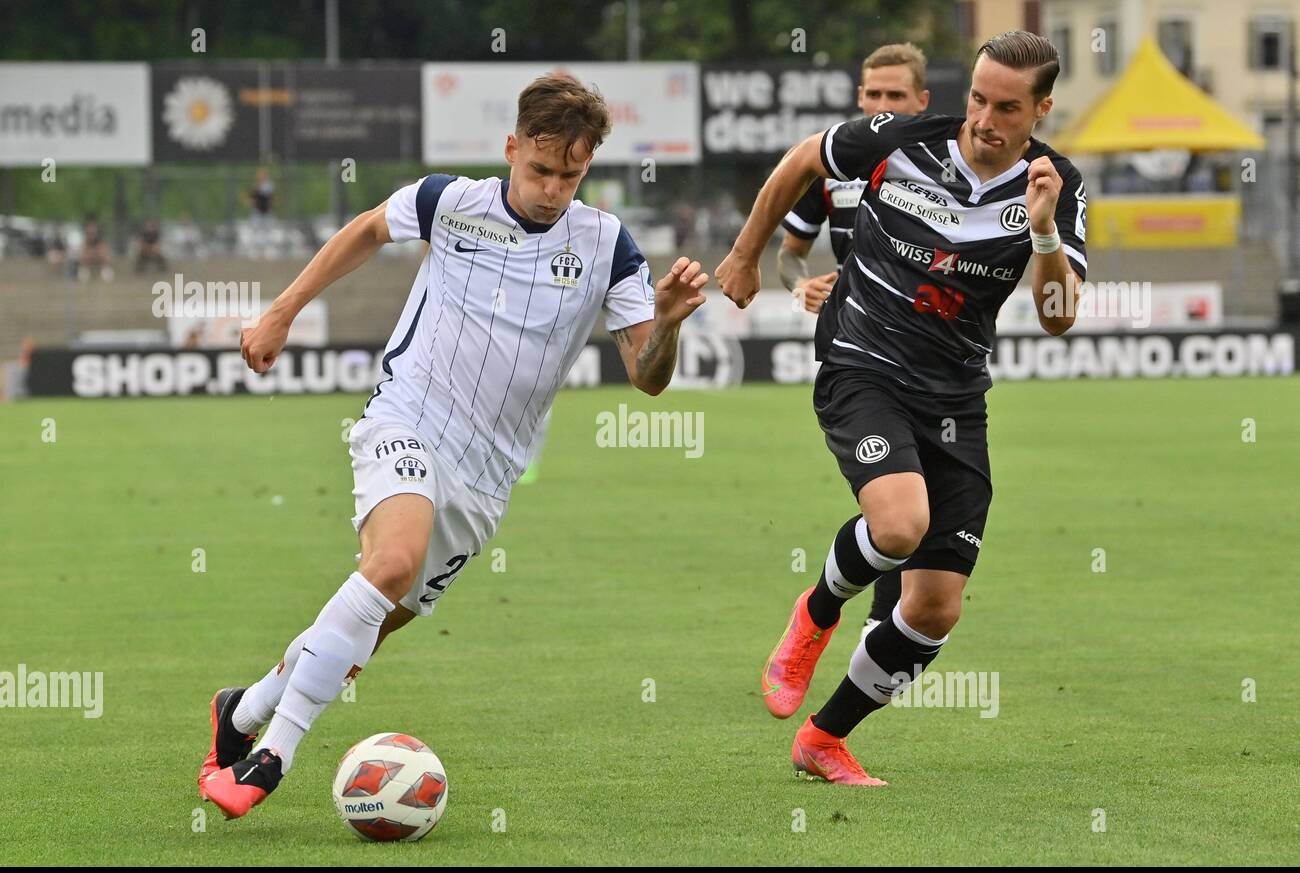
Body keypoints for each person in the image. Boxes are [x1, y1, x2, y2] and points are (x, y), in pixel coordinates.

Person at [198, 74, 710, 818]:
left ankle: (240, 711)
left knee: (371, 621)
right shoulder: (451, 202)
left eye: (570, 175)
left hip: (491, 474)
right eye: (539, 170)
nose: (552, 190)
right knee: (391, 562)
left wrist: (666, 324)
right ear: (511, 149)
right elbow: (368, 229)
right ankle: (273, 751)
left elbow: (648, 379)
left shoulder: (608, 247)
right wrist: (280, 313)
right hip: (408, 418)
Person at [718, 31, 1087, 785]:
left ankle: (824, 738)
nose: (984, 118)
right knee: (898, 523)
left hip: (956, 397)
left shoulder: (1058, 184)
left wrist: (1045, 229)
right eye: (978, 97)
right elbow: (800, 163)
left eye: (1007, 107)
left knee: (934, 609)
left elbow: (1056, 313)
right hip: (864, 365)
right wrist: (746, 253)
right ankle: (817, 613)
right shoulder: (902, 138)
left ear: (1041, 109)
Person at [778, 42, 931, 642]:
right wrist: (801, 286)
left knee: (914, 498)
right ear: (859, 98)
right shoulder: (836, 167)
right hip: (855, 346)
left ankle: (874, 620)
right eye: (874, 95)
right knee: (894, 491)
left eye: (897, 96)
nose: (883, 105)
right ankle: (867, 618)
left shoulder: (946, 171)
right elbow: (788, 258)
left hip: (929, 349)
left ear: (922, 102)